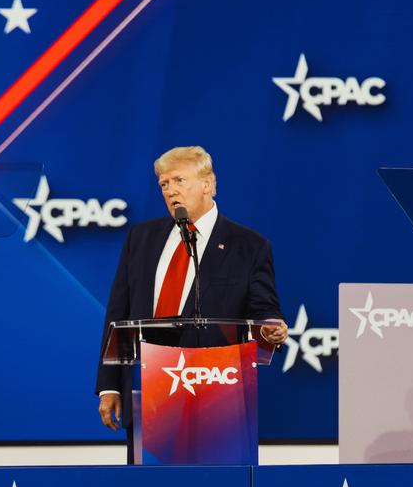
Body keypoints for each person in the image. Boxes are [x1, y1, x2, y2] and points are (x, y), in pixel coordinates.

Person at [95, 145, 288, 431]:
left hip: (215, 396)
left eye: (179, 181)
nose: (170, 190)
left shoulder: (248, 246)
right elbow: (118, 311)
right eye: (164, 183)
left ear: (207, 184)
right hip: (146, 390)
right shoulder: (141, 238)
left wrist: (271, 328)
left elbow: (263, 310)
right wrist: (109, 385)